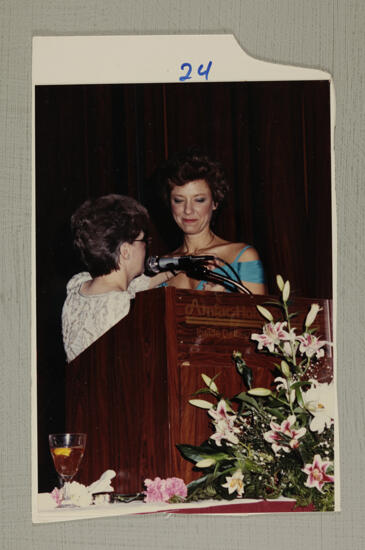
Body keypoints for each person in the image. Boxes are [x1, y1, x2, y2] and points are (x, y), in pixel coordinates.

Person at [62, 194, 170, 363]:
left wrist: (174, 269)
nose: (146, 247)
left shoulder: (78, 285)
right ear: (126, 250)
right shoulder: (122, 306)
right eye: (143, 241)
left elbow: (136, 285)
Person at [157, 149, 267, 295]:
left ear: (215, 202)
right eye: (179, 200)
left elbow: (259, 317)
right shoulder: (161, 265)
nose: (188, 210)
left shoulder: (243, 257)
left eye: (199, 200)